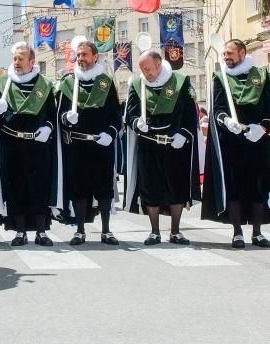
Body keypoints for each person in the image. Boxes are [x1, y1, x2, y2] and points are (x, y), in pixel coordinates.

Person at [125, 50, 200, 245]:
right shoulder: (137, 84)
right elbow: (131, 113)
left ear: (158, 64)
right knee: (150, 189)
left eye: (148, 68)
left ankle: (175, 231)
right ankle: (154, 231)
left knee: (177, 188)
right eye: (142, 68)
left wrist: (183, 133)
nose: (145, 72)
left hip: (175, 145)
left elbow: (190, 113)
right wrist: (136, 124)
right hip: (149, 145)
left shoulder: (180, 82)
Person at [202, 39, 270, 248]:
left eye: (230, 53)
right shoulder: (220, 78)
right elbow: (219, 107)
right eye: (224, 54)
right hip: (231, 142)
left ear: (242, 52)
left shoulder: (262, 75)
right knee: (233, 188)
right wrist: (226, 120)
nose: (226, 57)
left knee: (259, 188)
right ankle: (237, 232)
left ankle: (258, 233)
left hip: (258, 140)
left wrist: (264, 126)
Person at [0, 42, 58, 247]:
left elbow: (51, 114)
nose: (17, 62)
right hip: (11, 144)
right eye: (14, 58)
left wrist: (47, 127)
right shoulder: (3, 83)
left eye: (21, 58)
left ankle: (41, 231)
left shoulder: (44, 84)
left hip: (38, 145)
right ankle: (19, 231)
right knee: (15, 188)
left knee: (39, 187)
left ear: (32, 61)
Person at [56, 40, 122, 246]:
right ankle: (80, 230)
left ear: (95, 57)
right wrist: (67, 118)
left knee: (103, 189)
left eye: (85, 55)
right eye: (79, 55)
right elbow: (59, 114)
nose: (81, 58)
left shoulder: (106, 82)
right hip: (77, 145)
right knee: (79, 189)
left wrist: (110, 133)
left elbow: (115, 115)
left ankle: (106, 230)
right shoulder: (69, 82)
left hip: (101, 145)